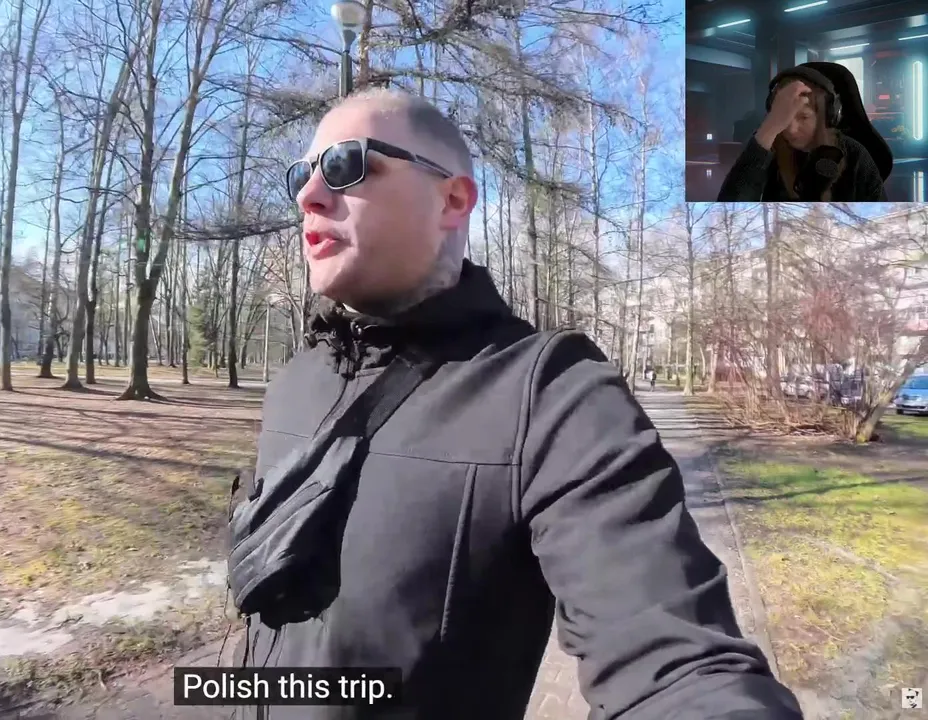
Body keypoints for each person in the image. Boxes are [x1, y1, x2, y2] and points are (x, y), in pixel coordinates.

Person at [230, 88, 804, 719]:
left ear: (453, 200)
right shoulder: (294, 382)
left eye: (345, 164)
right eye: (301, 174)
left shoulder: (553, 394)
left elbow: (675, 663)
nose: (309, 195)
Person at [717, 66, 885, 202]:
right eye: (784, 117)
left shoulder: (855, 156)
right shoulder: (767, 149)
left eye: (803, 117)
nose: (791, 129)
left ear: (827, 115)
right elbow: (729, 214)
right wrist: (769, 128)